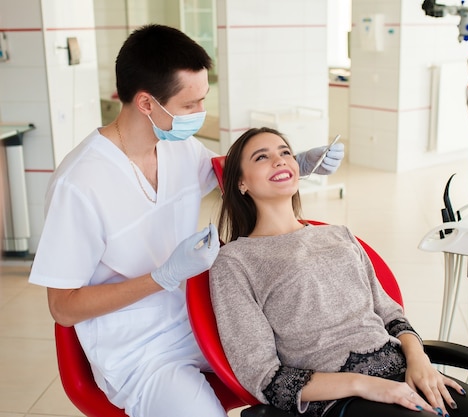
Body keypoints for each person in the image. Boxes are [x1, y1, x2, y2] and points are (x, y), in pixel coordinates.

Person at [28, 25, 343, 417]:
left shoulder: (178, 146)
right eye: (190, 105)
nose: (200, 114)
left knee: (320, 360)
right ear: (146, 103)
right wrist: (161, 277)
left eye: (202, 100)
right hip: (141, 349)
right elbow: (64, 308)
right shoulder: (79, 184)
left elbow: (233, 173)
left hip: (204, 315)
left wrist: (298, 165)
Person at [209, 127, 468, 417]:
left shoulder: (339, 234)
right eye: (262, 157)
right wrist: (365, 385)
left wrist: (419, 359)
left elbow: (391, 314)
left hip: (405, 372)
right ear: (240, 182)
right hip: (342, 400)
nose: (279, 161)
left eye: (285, 152)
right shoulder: (235, 262)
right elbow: (263, 378)